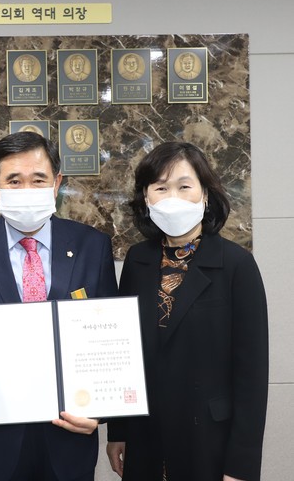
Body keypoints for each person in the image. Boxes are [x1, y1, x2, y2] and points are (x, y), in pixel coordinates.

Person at [0, 131, 118, 481]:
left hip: (69, 438)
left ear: (57, 183)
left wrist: (102, 411)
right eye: (14, 181)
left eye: (38, 179)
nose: (27, 189)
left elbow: (110, 339)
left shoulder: (92, 246)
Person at [106, 142, 268, 481]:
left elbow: (251, 375)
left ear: (205, 194)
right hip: (147, 436)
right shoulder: (137, 260)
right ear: (146, 197)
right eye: (161, 188)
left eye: (184, 186)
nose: (173, 198)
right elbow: (124, 353)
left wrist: (242, 464)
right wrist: (118, 431)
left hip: (209, 438)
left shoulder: (237, 264)